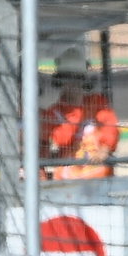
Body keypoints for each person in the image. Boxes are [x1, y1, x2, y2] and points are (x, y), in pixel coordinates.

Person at [39, 47, 119, 181]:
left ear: (84, 79)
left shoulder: (97, 103)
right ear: (59, 80)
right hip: (69, 180)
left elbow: (110, 128)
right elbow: (55, 143)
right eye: (67, 77)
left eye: (77, 77)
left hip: (99, 177)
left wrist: (104, 149)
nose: (73, 83)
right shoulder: (53, 113)